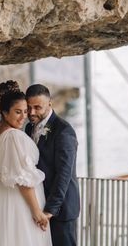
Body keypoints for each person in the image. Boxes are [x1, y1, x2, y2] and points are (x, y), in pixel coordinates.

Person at [0, 81, 52, 246]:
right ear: (5, 113)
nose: (23, 117)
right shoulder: (14, 136)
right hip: (16, 201)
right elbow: (22, 181)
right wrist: (37, 212)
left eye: (26, 111)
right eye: (17, 112)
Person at [25, 83, 80, 246]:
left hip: (61, 208)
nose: (32, 112)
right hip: (39, 204)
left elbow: (64, 174)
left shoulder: (64, 131)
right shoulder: (29, 128)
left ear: (50, 104)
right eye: (28, 107)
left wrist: (49, 210)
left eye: (37, 107)